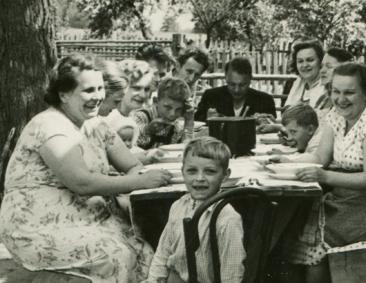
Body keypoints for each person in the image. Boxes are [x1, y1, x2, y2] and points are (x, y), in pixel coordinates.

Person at [0, 54, 173, 283]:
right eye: (88, 90)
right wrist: (138, 181)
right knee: (113, 256)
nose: (98, 97)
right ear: (63, 94)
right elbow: (81, 183)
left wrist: (134, 176)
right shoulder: (50, 125)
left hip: (89, 219)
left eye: (100, 88)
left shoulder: (95, 125)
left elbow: (132, 164)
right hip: (39, 227)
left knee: (145, 252)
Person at [271, 63, 366, 283]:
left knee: (315, 234)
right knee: (301, 224)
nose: (341, 99)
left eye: (349, 92)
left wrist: (324, 177)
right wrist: (288, 162)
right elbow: (320, 158)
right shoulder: (336, 116)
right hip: (352, 196)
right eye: (336, 91)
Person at [144, 136, 246, 283]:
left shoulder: (227, 218)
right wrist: (153, 280)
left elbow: (232, 273)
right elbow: (163, 252)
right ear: (183, 172)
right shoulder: (178, 206)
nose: (199, 178)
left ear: (225, 175)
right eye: (192, 171)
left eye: (210, 171)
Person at [194, 57, 276, 122]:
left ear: (250, 79)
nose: (236, 90)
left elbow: (272, 128)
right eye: (232, 84)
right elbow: (196, 123)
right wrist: (207, 119)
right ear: (225, 78)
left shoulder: (265, 100)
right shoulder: (211, 96)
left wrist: (268, 122)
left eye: (242, 85)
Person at [131, 77, 193, 149]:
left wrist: (189, 123)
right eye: (168, 107)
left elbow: (186, 150)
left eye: (178, 109)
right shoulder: (140, 117)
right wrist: (148, 130)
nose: (172, 114)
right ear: (156, 102)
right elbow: (130, 146)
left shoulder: (176, 127)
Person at [284, 40, 325, 109]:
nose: (305, 65)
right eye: (300, 61)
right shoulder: (297, 83)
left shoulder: (326, 87)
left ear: (321, 61)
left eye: (310, 60)